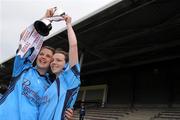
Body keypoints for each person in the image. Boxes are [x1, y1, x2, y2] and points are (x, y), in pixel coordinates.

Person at [0, 8, 73, 120]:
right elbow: (24, 38)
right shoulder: (23, 68)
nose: (43, 57)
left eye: (48, 56)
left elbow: (51, 109)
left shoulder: (51, 85)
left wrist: (66, 114)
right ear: (37, 56)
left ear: (51, 62)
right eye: (41, 54)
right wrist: (45, 19)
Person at [38, 14, 81, 120]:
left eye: (58, 60)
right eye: (52, 60)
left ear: (66, 65)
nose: (53, 62)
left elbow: (73, 46)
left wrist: (69, 24)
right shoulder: (49, 85)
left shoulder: (69, 79)